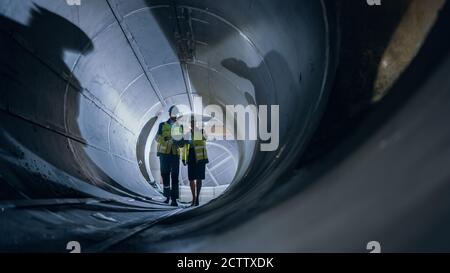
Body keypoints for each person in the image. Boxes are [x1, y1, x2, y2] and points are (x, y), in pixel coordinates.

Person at [156, 106, 184, 207]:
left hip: (175, 154)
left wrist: (181, 142)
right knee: (165, 175)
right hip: (164, 154)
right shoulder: (162, 125)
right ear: (169, 114)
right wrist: (166, 139)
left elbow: (181, 143)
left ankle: (174, 200)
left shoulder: (180, 127)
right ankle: (167, 197)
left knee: (175, 177)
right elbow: (157, 138)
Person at [182, 116, 209, 207]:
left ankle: (197, 198)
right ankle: (194, 198)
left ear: (196, 123)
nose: (193, 124)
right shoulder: (187, 134)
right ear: (190, 124)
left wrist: (197, 131)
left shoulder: (201, 131)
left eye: (194, 122)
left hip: (200, 157)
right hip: (191, 157)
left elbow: (205, 138)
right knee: (191, 178)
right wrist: (183, 158)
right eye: (191, 122)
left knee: (199, 178)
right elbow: (185, 147)